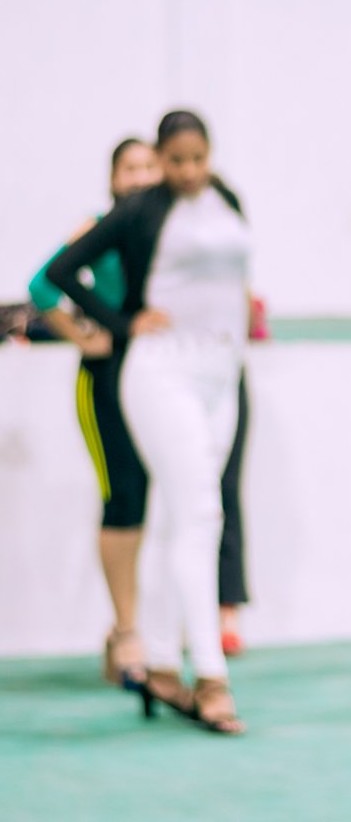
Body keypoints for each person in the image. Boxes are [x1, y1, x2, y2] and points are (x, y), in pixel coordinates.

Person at [48, 110, 249, 734]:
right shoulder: (139, 210)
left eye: (198, 159)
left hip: (221, 373)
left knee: (177, 518)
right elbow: (60, 272)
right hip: (162, 371)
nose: (188, 171)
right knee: (202, 514)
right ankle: (210, 676)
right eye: (176, 160)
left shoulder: (225, 201)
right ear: (161, 159)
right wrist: (121, 323)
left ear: (210, 154)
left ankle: (162, 663)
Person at [29, 138, 160, 689]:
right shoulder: (98, 227)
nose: (140, 177)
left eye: (148, 166)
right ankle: (127, 631)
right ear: (113, 179)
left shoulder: (164, 229)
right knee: (121, 496)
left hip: (152, 376)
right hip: (103, 379)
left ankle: (131, 627)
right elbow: (42, 285)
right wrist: (82, 336)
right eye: (130, 168)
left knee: (150, 497)